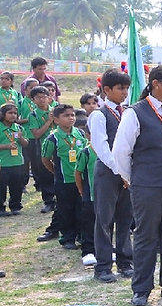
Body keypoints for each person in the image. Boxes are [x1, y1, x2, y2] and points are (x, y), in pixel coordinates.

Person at [112, 65, 162, 306]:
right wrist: (134, 179)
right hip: (148, 184)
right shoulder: (136, 113)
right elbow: (121, 152)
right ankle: (141, 289)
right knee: (146, 235)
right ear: (155, 83)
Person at [89, 68, 134, 283]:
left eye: (126, 88)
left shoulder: (128, 112)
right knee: (104, 219)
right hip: (108, 172)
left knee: (126, 218)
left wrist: (128, 171)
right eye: (120, 88)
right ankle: (103, 265)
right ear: (106, 90)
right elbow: (100, 146)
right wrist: (119, 170)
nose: (124, 92)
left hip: (126, 173)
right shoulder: (99, 115)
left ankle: (126, 261)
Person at [40, 104, 87, 254]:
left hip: (81, 179)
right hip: (64, 180)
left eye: (72, 115)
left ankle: (81, 235)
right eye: (66, 116)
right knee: (66, 209)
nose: (71, 118)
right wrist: (56, 172)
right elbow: (46, 159)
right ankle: (67, 238)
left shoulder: (80, 133)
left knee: (82, 208)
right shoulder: (53, 138)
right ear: (56, 120)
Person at [72, 109, 98, 267]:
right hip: (90, 194)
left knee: (106, 223)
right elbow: (78, 173)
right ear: (87, 135)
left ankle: (105, 249)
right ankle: (88, 250)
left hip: (106, 194)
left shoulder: (109, 151)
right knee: (89, 222)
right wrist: (82, 191)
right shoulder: (86, 152)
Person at [26, 86, 57, 214]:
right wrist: (49, 122)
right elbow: (37, 134)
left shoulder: (56, 110)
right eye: (39, 97)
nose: (42, 100)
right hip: (43, 146)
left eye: (44, 96)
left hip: (60, 145)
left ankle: (60, 198)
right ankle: (49, 201)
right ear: (33, 100)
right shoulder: (33, 115)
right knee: (45, 174)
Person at [0, 103, 29, 216]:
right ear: (3, 114)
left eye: (15, 113)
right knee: (1, 187)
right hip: (3, 163)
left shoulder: (18, 128)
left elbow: (26, 144)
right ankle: (1, 208)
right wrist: (6, 146)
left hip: (17, 161)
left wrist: (20, 137)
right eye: (10, 113)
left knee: (16, 186)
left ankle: (15, 206)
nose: (13, 115)